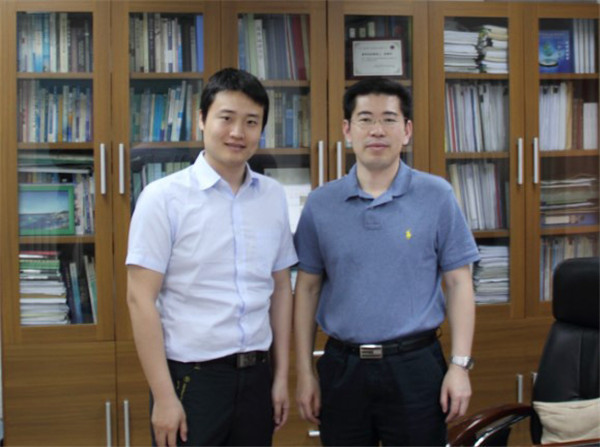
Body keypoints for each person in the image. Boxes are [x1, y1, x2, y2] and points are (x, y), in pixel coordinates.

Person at [293, 77, 480, 446]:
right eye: (365, 119)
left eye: (389, 119)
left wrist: (460, 365)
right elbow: (308, 289)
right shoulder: (321, 204)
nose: (377, 130)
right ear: (347, 129)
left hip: (415, 366)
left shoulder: (437, 195)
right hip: (342, 368)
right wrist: (304, 372)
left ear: (406, 131)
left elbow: (459, 282)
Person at [126, 68, 297, 447]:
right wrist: (164, 397)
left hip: (257, 377)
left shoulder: (272, 196)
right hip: (192, 380)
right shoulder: (163, 198)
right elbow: (140, 299)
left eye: (251, 122)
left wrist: (281, 376)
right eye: (226, 118)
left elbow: (281, 287)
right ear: (202, 119)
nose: (238, 132)